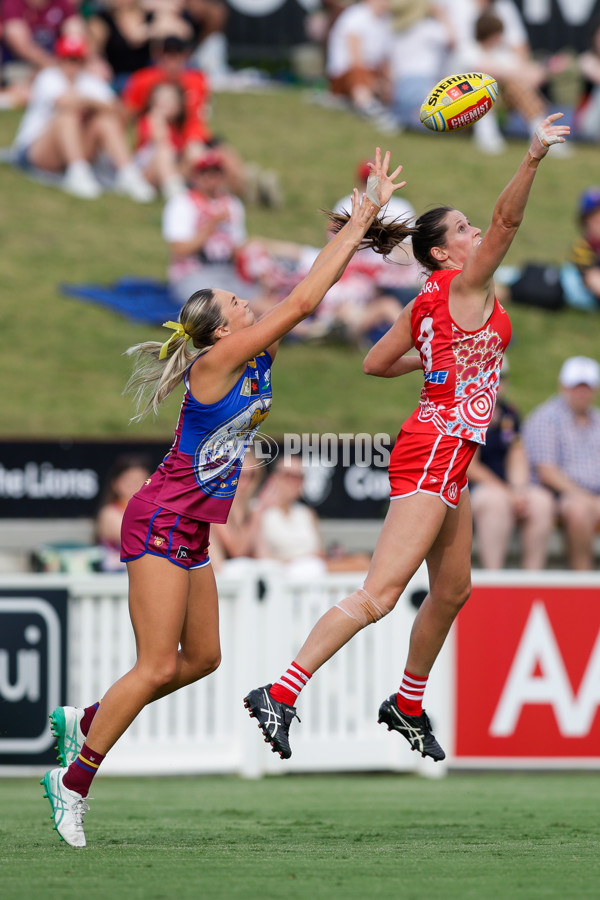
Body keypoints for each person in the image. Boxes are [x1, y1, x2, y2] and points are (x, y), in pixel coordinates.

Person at [41, 146, 409, 848]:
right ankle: (73, 778)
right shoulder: (217, 362)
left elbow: (308, 296)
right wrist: (362, 214)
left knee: (202, 657)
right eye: (237, 303)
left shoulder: (255, 351)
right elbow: (303, 298)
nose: (248, 301)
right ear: (219, 330)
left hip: (192, 528)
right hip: (159, 519)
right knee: (154, 664)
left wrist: (355, 234)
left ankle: (85, 718)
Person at [244, 112, 570, 765]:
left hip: (447, 450)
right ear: (446, 253)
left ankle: (408, 703)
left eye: (472, 227)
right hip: (434, 449)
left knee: (453, 591)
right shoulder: (464, 284)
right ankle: (280, 691)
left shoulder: (431, 298)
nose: (478, 232)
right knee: (380, 594)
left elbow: (375, 362)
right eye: (463, 230)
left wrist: (438, 357)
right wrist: (531, 157)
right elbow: (508, 223)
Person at [11, 33, 156, 200]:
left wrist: (87, 102)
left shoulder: (90, 81)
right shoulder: (48, 77)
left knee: (105, 121)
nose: (73, 65)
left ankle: (128, 174)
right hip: (36, 152)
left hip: (77, 147)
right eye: (69, 59)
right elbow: (65, 103)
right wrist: (91, 103)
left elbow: (116, 109)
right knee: (67, 117)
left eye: (78, 60)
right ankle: (77, 172)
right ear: (59, 59)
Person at [468, 361, 555, 569]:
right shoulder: (467, 413)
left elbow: (517, 454)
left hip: (505, 486)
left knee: (541, 501)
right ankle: (494, 577)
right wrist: (508, 492)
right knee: (495, 502)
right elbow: (470, 467)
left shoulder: (509, 413)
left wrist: (518, 490)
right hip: (472, 488)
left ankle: (531, 581)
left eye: (500, 377)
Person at [522, 356, 600, 571]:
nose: (582, 393)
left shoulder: (597, 420)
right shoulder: (545, 418)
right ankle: (582, 578)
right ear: (563, 387)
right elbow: (547, 472)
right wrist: (587, 497)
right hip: (558, 494)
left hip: (591, 494)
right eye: (576, 387)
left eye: (587, 387)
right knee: (579, 510)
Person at [325, 0, 397, 130]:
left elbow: (385, 59)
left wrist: (387, 83)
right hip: (345, 74)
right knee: (359, 73)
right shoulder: (355, 16)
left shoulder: (386, 21)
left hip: (370, 73)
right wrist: (374, 82)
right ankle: (367, 106)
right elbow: (356, 59)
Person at [95, 454, 152, 572]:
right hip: (116, 575)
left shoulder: (153, 510)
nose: (135, 486)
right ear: (116, 484)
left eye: (140, 480)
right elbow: (137, 539)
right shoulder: (109, 513)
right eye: (129, 481)